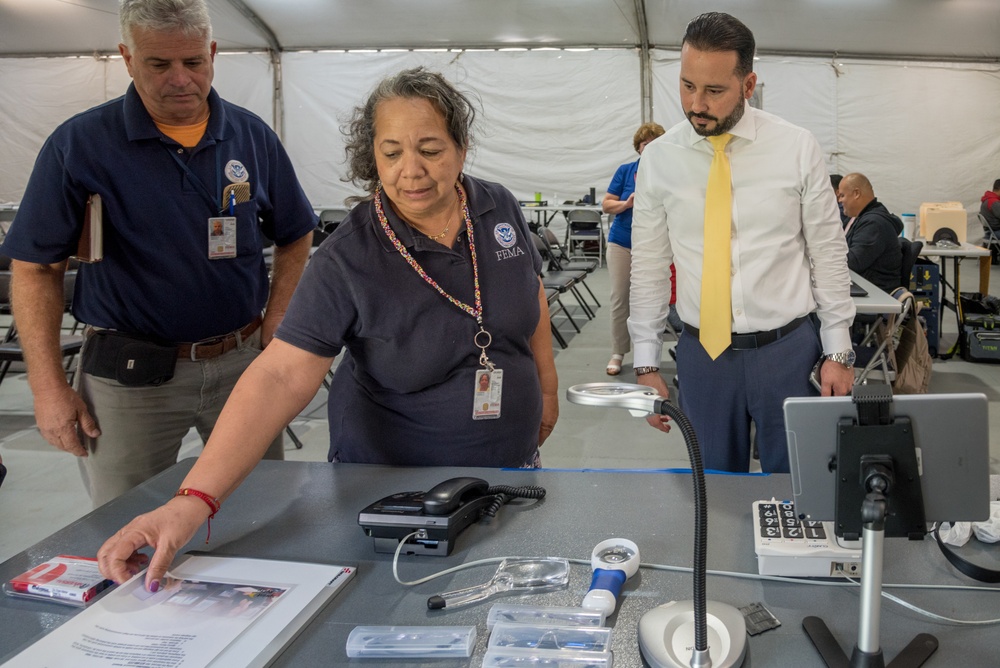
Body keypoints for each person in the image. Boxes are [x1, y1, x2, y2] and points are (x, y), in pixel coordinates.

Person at [96, 67, 559, 589]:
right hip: (397, 493)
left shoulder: (497, 204)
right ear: (372, 157)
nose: (412, 171)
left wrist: (545, 386)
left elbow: (530, 293)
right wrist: (193, 501)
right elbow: (279, 377)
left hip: (509, 473)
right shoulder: (350, 256)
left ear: (462, 146)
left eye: (430, 149)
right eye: (391, 152)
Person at [0, 0, 316, 507]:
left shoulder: (250, 134)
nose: (180, 80)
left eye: (193, 62)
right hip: (130, 379)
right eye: (158, 64)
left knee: (257, 510)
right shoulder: (80, 144)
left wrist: (278, 314)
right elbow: (36, 267)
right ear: (127, 57)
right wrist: (47, 387)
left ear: (212, 53)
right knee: (127, 524)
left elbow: (297, 233)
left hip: (242, 365)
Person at [628, 12, 855, 474]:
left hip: (788, 352)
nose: (696, 104)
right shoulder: (659, 160)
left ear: (748, 84)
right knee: (712, 491)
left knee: (798, 489)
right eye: (687, 85)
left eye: (714, 91)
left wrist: (838, 350)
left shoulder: (796, 148)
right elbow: (649, 266)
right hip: (703, 356)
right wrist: (645, 362)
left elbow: (828, 253)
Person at [602, 122, 683, 376]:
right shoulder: (626, 171)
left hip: (659, 243)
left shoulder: (670, 173)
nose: (649, 148)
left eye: (655, 143)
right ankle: (618, 351)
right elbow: (606, 204)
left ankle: (657, 351)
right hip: (623, 243)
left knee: (663, 297)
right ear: (638, 147)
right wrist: (626, 203)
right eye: (645, 144)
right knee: (620, 298)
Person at [838, 173, 903, 294]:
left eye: (842, 195)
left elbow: (852, 262)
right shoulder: (860, 219)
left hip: (874, 294)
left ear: (856, 194)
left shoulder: (874, 223)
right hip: (864, 288)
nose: (840, 200)